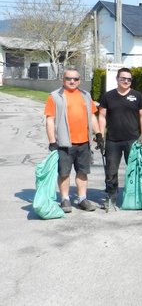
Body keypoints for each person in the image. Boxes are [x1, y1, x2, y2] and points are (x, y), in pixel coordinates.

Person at [44, 67, 101, 213]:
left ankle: (82, 199)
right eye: (69, 78)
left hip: (84, 142)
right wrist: (52, 141)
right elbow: (50, 120)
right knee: (64, 173)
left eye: (75, 78)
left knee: (83, 172)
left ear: (79, 80)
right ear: (63, 79)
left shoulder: (86, 95)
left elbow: (93, 116)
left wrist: (99, 134)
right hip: (64, 143)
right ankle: (65, 199)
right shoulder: (55, 96)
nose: (72, 81)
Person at [98, 67, 142, 210]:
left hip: (133, 139)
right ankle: (111, 196)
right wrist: (100, 135)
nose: (126, 81)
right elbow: (101, 116)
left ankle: (137, 197)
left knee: (135, 170)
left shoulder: (138, 96)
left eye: (129, 79)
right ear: (117, 79)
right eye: (123, 78)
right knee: (111, 171)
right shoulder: (108, 96)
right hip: (113, 140)